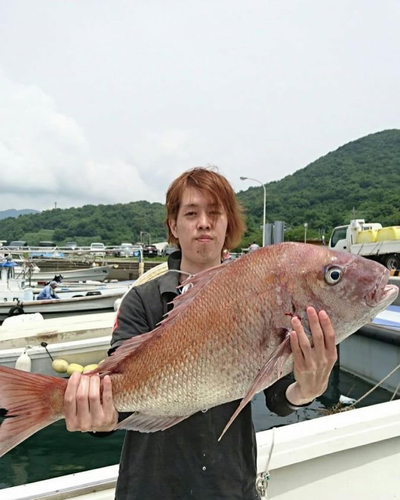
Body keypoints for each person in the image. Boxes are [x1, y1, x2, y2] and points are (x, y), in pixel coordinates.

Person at [64, 167, 337, 500]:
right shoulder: (144, 299)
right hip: (149, 489)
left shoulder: (259, 296)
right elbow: (117, 398)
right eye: (191, 213)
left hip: (229, 487)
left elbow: (278, 398)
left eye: (214, 213)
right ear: (173, 226)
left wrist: (307, 389)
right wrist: (97, 419)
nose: (203, 222)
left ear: (227, 225)